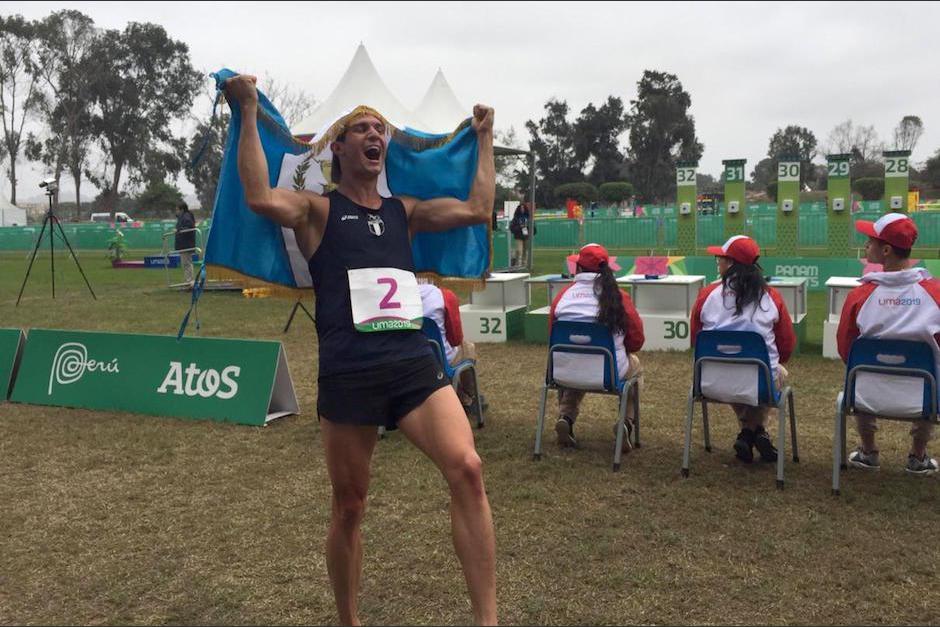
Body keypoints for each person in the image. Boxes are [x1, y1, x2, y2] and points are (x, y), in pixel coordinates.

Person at [225, 74, 497, 625]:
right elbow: (257, 196)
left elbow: (477, 208)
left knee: (468, 468)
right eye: (361, 128)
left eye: (380, 129)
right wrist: (248, 111)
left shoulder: (407, 212)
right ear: (339, 148)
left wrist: (485, 137)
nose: (375, 134)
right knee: (349, 507)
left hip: (413, 365)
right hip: (349, 374)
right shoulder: (316, 210)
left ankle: (488, 620)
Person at [837, 213, 939, 475]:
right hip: (924, 397)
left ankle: (869, 451)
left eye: (870, 241)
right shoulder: (934, 293)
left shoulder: (860, 295)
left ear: (885, 250)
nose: (866, 246)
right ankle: (918, 456)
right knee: (934, 371)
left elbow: (845, 346)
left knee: (858, 370)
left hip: (867, 394)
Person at [691, 235, 796, 463]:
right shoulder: (771, 297)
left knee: (740, 372)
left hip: (710, 380)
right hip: (758, 383)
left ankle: (748, 433)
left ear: (730, 264)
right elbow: (786, 344)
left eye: (720, 258)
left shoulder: (707, 295)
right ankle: (755, 431)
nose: (717, 262)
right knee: (771, 371)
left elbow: (696, 339)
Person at [549, 243, 645, 449]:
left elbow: (552, 335)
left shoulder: (562, 297)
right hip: (608, 372)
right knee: (634, 366)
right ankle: (627, 422)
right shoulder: (619, 298)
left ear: (579, 269)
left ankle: (566, 417)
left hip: (565, 370)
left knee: (579, 363)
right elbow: (636, 339)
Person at [418, 281, 479, 413]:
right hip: (439, 360)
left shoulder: (400, 297)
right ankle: (469, 397)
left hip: (407, 358)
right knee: (468, 347)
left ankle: (462, 395)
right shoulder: (444, 296)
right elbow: (456, 338)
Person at [174, 201, 197, 285]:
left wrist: (178, 230)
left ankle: (190, 282)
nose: (176, 211)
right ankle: (189, 281)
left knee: (187, 263)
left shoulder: (186, 217)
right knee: (186, 263)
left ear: (182, 210)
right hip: (184, 244)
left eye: (177, 210)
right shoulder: (183, 217)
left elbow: (189, 227)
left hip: (186, 244)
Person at [509, 200, 531, 267]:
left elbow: (533, 227)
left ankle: (524, 265)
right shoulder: (516, 218)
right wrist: (519, 227)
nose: (522, 209)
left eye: (523, 208)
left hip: (526, 236)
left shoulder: (528, 218)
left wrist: (530, 229)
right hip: (518, 236)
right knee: (519, 251)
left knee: (526, 251)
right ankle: (518, 264)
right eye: (521, 208)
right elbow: (512, 228)